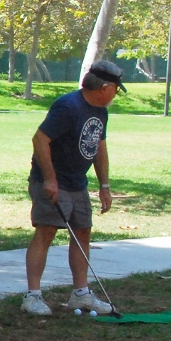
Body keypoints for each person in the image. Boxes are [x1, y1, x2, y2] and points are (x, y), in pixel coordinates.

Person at [22, 61, 123, 316]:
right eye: (116, 89)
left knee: (82, 233)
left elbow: (99, 148)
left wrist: (104, 185)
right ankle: (32, 296)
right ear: (104, 87)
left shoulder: (101, 112)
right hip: (52, 181)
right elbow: (40, 139)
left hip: (78, 183)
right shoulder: (68, 106)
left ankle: (81, 294)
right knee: (46, 232)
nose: (116, 94)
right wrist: (50, 179)